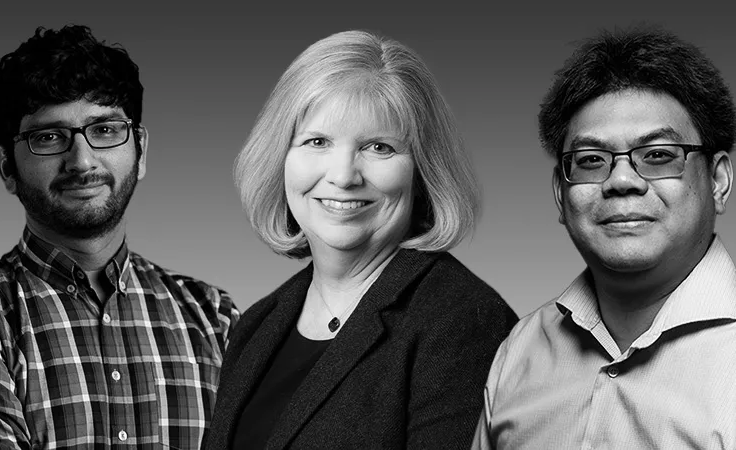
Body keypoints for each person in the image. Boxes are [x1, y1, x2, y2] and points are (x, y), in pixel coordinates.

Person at [474, 26, 736, 449]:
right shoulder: (519, 351)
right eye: (592, 160)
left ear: (718, 180)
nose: (623, 180)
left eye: (658, 156)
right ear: (561, 193)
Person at [203, 30, 518, 450]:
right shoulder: (256, 327)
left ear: (422, 171)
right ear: (279, 157)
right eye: (317, 141)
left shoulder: (464, 324)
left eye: (378, 147)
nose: (344, 175)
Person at [0, 25, 239, 449]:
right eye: (48, 137)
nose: (82, 160)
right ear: (6, 167)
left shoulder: (215, 318)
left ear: (141, 150)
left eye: (106, 130)